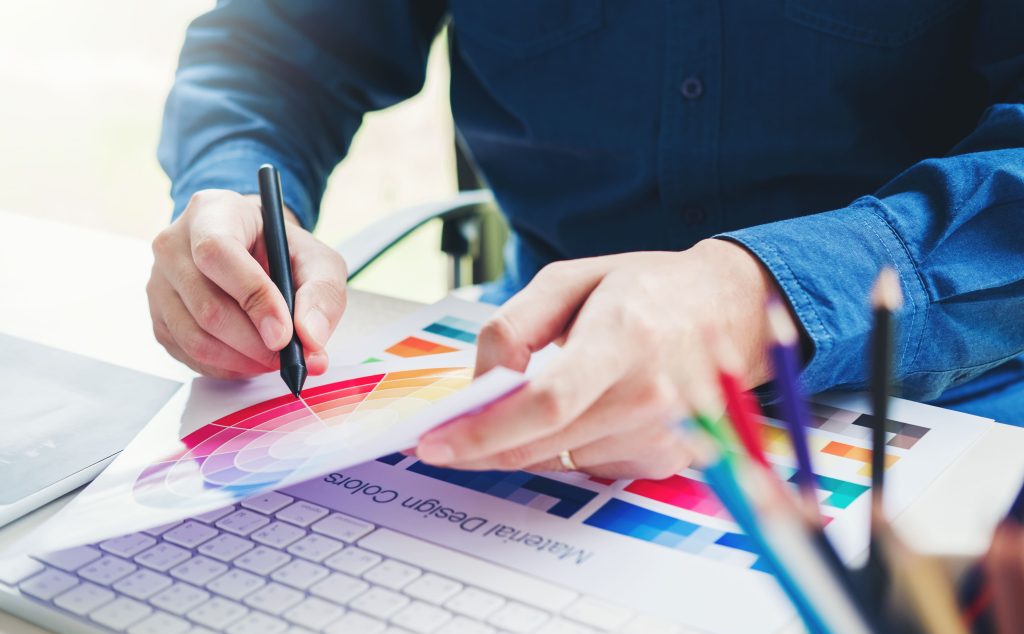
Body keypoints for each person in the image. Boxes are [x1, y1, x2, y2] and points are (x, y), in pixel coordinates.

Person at [151, 2, 1024, 478]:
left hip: (941, 405)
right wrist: (231, 191)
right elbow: (272, 52)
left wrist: (755, 296)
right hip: (532, 380)